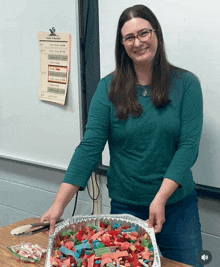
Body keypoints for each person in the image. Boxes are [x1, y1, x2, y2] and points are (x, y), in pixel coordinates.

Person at [41, 4, 204, 267]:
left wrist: (160, 198)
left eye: (144, 33)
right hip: (126, 207)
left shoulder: (186, 84)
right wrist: (58, 205)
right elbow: (90, 147)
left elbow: (188, 147)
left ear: (156, 34)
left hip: (177, 206)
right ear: (122, 44)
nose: (138, 42)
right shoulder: (108, 88)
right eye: (129, 37)